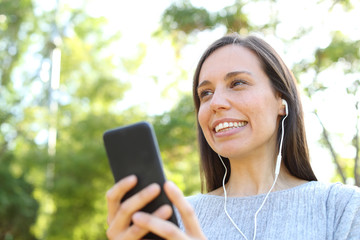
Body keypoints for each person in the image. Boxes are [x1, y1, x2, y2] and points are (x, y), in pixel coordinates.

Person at [105, 33, 360, 239]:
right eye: (205, 93)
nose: (216, 102)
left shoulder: (343, 208)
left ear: (281, 101)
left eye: (237, 83)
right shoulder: (173, 220)